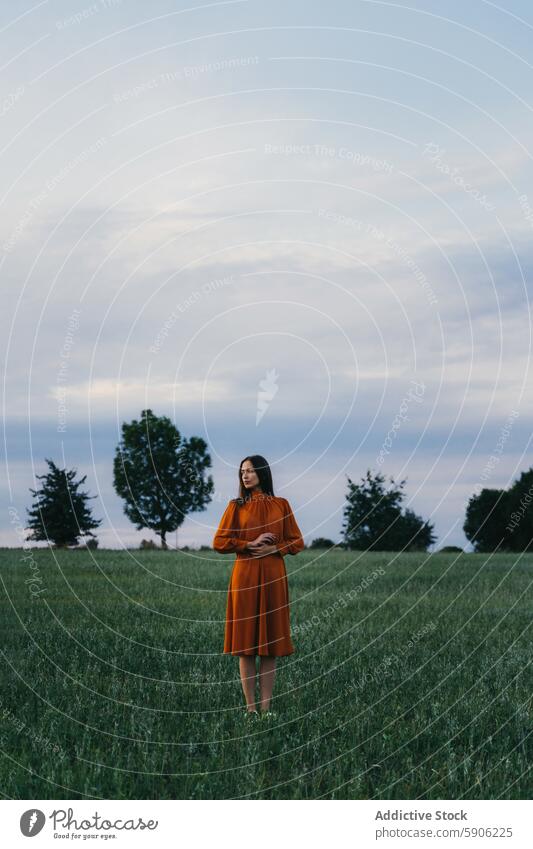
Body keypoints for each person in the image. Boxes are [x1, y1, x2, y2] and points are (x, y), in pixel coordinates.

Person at [212, 455, 304, 718]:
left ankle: (266, 708)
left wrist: (275, 547)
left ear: (262, 473)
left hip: (274, 576)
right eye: (242, 472)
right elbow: (219, 542)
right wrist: (249, 544)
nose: (245, 475)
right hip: (245, 577)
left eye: (250, 471)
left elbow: (296, 542)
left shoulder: (281, 505)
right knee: (245, 645)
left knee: (270, 646)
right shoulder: (236, 506)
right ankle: (250, 709)